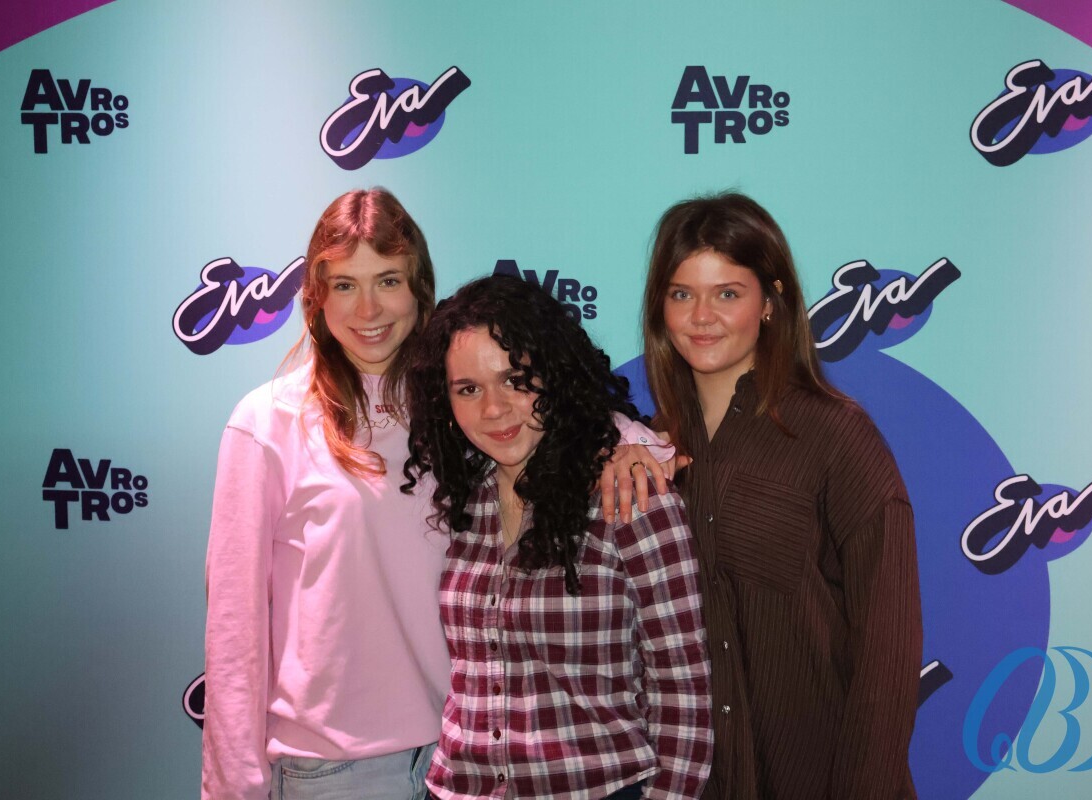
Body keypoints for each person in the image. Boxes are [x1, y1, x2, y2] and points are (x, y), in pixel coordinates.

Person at [203, 190, 670, 799]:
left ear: (419, 288)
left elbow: (566, 418)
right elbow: (235, 631)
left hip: (468, 763)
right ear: (316, 299)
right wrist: (232, 788)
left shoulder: (458, 405)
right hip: (335, 773)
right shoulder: (267, 424)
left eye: (388, 280)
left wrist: (634, 445)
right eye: (344, 285)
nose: (368, 308)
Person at [642, 192, 922, 799]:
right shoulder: (645, 451)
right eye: (682, 294)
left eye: (727, 293)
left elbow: (888, 649)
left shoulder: (836, 435)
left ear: (770, 302)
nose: (701, 317)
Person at [402, 275, 712, 800]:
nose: (493, 409)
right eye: (469, 389)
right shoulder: (459, 502)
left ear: (555, 376)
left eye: (515, 380)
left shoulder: (629, 496)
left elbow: (682, 690)